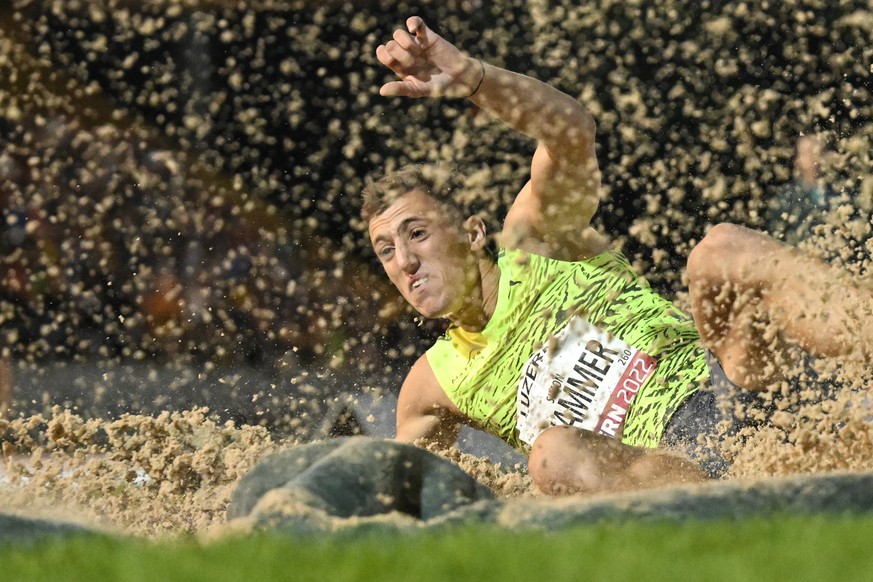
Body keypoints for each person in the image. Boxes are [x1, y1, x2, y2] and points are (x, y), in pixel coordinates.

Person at [364, 16, 873, 495]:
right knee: (552, 454)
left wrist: (475, 79)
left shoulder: (533, 239)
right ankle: (730, 510)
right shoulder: (431, 384)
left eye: (417, 233)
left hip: (734, 384)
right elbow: (404, 496)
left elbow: (570, 132)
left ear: (473, 233)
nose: (404, 261)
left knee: (720, 249)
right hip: (669, 469)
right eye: (386, 250)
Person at [767, 135, 830, 245]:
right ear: (797, 159)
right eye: (807, 153)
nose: (813, 158)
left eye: (817, 153)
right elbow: (776, 235)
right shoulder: (787, 195)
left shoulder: (836, 192)